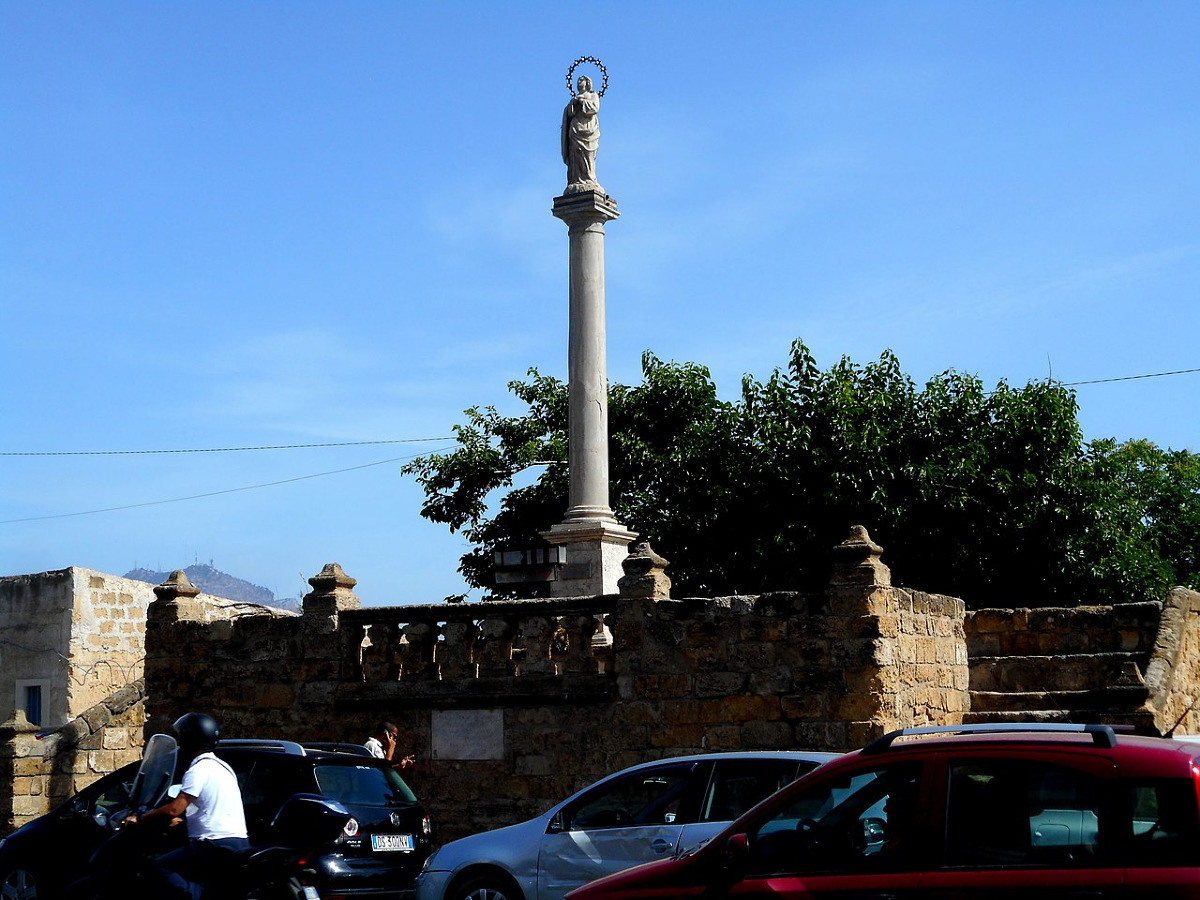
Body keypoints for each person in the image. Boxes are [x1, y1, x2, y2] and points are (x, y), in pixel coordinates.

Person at [127, 712, 249, 900]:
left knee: (160, 867)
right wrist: (182, 822)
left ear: (189, 740)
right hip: (238, 842)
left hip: (212, 845)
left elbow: (174, 808)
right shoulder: (224, 768)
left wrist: (143, 818)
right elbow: (210, 807)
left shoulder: (198, 769)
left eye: (181, 738)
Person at [561, 74, 602, 193]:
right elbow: (568, 114)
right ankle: (576, 179)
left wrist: (582, 101)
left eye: (581, 80)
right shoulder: (573, 99)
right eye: (577, 80)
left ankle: (589, 178)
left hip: (589, 129)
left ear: (587, 83)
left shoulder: (592, 95)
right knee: (576, 155)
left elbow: (595, 108)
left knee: (588, 156)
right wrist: (572, 104)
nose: (578, 82)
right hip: (575, 129)